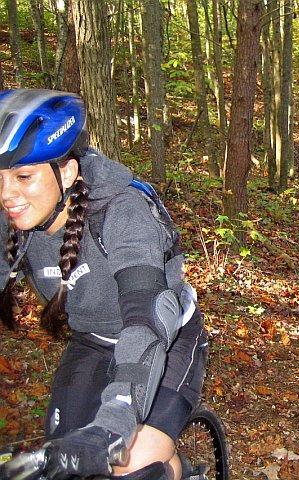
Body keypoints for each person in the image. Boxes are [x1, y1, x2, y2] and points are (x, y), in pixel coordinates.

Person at [0, 88, 208, 480]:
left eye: (24, 176)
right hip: (92, 341)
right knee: (62, 465)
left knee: (130, 464)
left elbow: (147, 318)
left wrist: (113, 423)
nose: (7, 194)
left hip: (167, 339)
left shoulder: (124, 212)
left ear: (67, 172)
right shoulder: (15, 218)